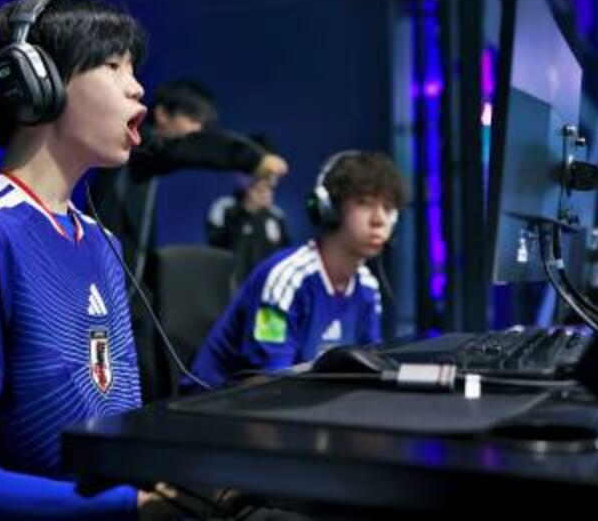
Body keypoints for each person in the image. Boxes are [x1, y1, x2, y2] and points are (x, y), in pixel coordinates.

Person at [0, 0, 175, 519]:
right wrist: (134, 507)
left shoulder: (101, 240)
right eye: (112, 64)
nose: (137, 86)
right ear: (33, 82)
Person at [188, 151, 408, 389]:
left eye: (388, 208)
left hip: (304, 400)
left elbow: (369, 370)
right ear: (329, 208)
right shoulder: (288, 279)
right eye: (364, 203)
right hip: (218, 402)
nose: (380, 220)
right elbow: (268, 383)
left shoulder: (367, 287)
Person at [90, 79, 288, 285]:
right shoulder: (137, 147)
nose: (198, 129)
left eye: (202, 123)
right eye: (193, 119)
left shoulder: (145, 160)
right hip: (102, 281)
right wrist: (254, 159)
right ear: (163, 114)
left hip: (124, 286)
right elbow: (187, 148)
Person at [207, 135, 291, 283]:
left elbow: (284, 260)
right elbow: (217, 254)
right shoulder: (224, 209)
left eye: (270, 174)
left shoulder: (276, 216)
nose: (267, 180)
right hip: (231, 292)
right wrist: (248, 211)